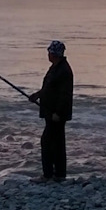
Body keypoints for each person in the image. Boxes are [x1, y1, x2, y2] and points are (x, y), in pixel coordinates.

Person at [30, 39, 73, 181]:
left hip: (56, 114)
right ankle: (59, 174)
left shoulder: (63, 70)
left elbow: (64, 95)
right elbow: (49, 89)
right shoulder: (56, 67)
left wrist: (58, 113)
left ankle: (49, 175)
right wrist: (37, 96)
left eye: (49, 52)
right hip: (50, 111)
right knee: (56, 142)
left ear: (54, 54)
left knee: (48, 142)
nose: (48, 54)